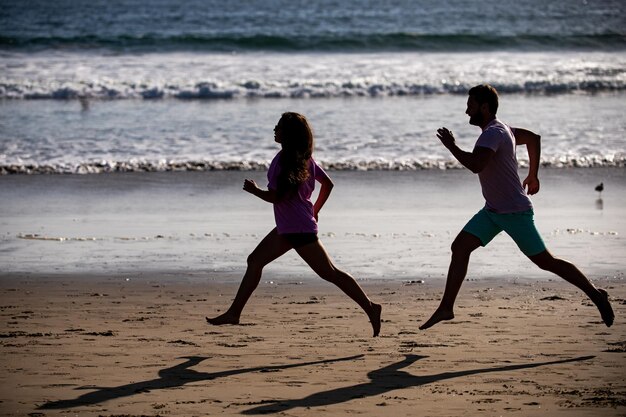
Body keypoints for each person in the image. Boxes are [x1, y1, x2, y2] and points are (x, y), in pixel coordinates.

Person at [419, 84, 614, 330]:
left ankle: (596, 295)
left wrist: (452, 147)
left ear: (485, 107)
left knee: (547, 262)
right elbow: (533, 138)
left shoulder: (493, 133)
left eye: (471, 105)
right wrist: (533, 175)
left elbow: (477, 164)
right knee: (459, 247)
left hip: (514, 212)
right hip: (492, 211)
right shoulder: (504, 130)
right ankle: (446, 308)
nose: (466, 111)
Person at [206, 112, 382, 337]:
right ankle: (234, 313)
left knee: (330, 273)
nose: (274, 129)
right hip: (291, 226)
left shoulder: (285, 161)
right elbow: (327, 184)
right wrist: (315, 211)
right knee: (255, 260)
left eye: (278, 126)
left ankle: (370, 307)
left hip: (296, 228)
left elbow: (278, 197)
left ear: (287, 133)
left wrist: (255, 191)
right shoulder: (303, 158)